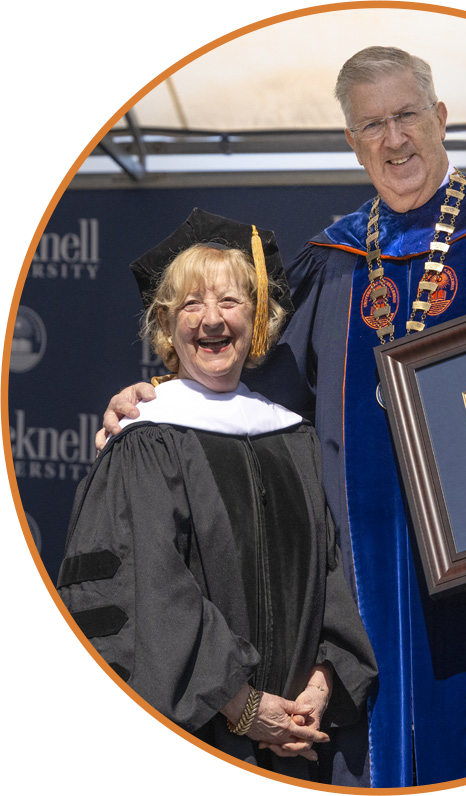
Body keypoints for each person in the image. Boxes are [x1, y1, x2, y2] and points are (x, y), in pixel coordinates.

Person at [100, 48, 466, 787]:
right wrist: (159, 402)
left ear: (440, 118)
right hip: (368, 590)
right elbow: (254, 405)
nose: (394, 138)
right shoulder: (333, 263)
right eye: (372, 124)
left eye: (407, 115)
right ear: (352, 141)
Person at [59, 209, 377, 782]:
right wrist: (243, 706)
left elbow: (331, 574)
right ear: (166, 325)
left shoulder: (294, 437)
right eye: (190, 304)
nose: (211, 320)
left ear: (257, 318)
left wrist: (319, 686)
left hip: (300, 743)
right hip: (198, 729)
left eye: (230, 301)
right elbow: (144, 591)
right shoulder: (146, 439)